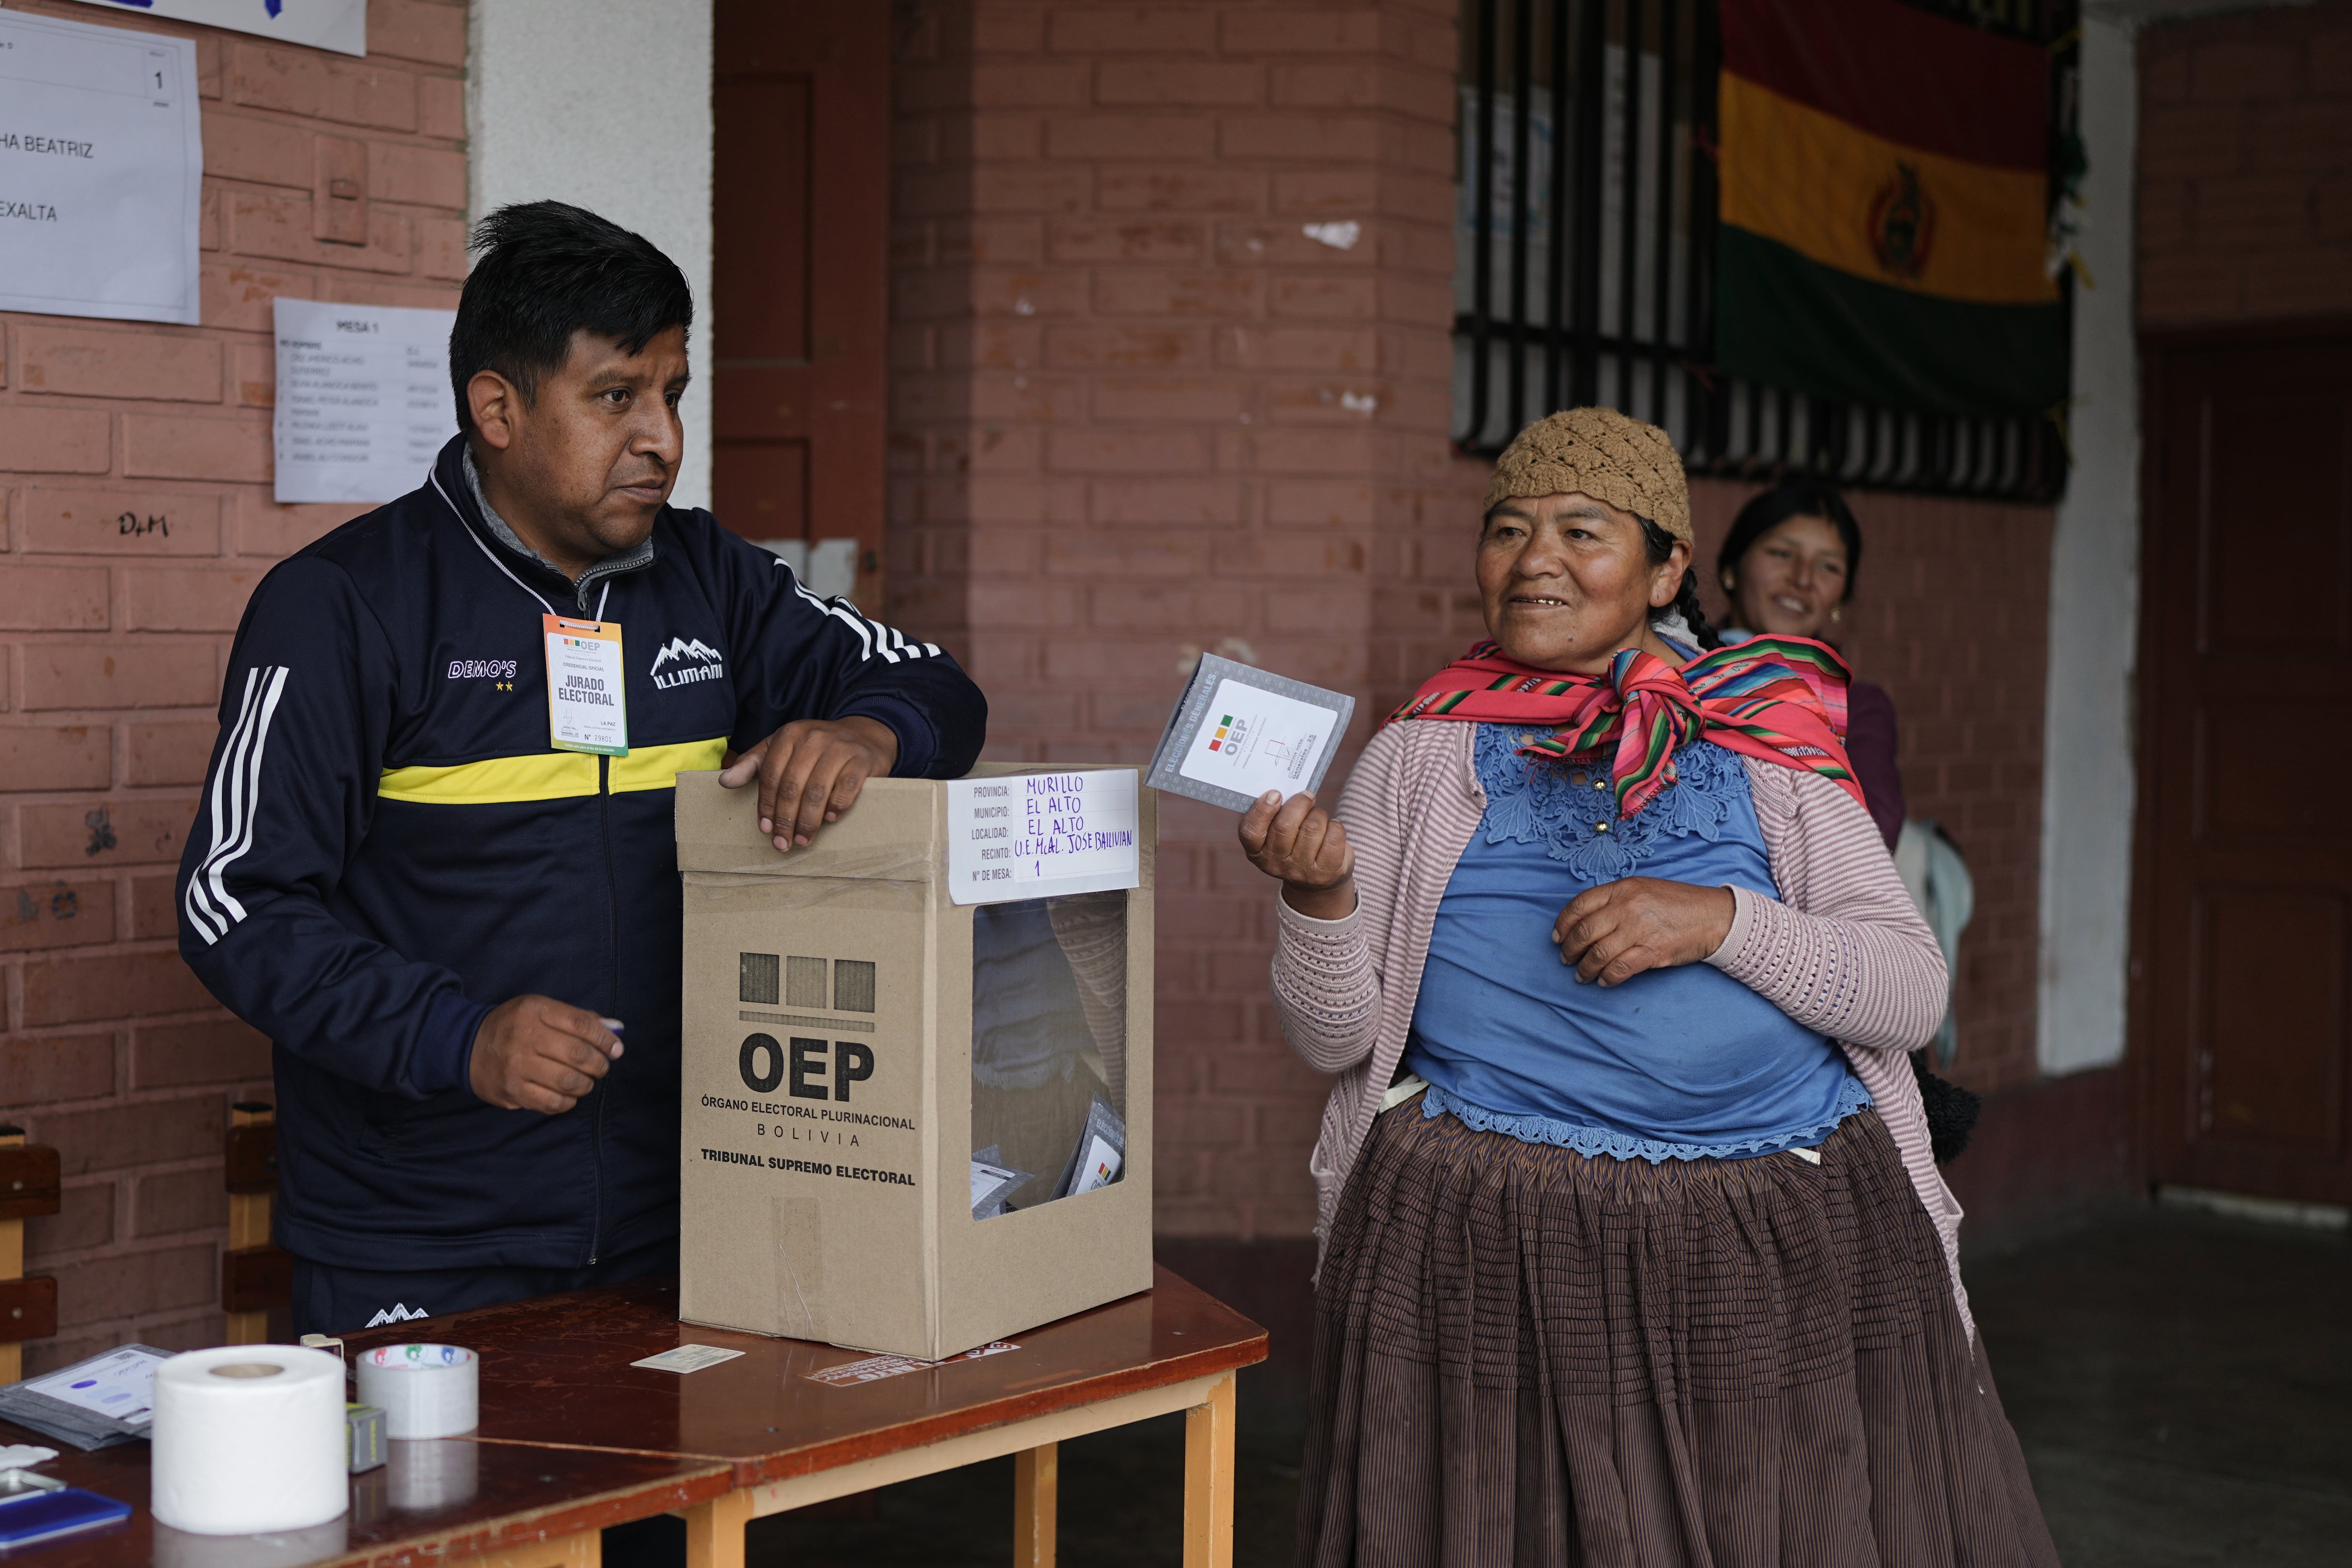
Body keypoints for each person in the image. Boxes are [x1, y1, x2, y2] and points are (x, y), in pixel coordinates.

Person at [1242, 409, 2053, 1565]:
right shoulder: (1420, 751)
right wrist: (1317, 897)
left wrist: (1720, 922)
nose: (1535, 559)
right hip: (1493, 1248)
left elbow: (1909, 989)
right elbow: (1334, 1040)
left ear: (1667, 569)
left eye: (1583, 531)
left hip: (1766, 1243)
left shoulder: (1763, 740)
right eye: (1508, 529)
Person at [176, 202, 987, 1336]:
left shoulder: (709, 577)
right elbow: (233, 903)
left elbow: (936, 686)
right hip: (421, 1236)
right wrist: (458, 1036)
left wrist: (871, 733)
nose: (662, 439)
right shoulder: (344, 605)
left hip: (683, 1220)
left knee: (681, 1474)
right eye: (615, 398)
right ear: (498, 410)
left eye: (672, 394)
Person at [1716, 480, 1907, 848]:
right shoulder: (1673, 669)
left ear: (1841, 597)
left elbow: (1871, 834)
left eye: (1828, 567)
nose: (1803, 579)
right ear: (1732, 567)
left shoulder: (1859, 708)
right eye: (1781, 553)